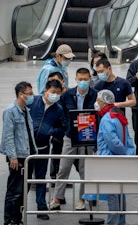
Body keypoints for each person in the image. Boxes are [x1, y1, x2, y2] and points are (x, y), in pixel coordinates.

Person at [49, 68, 98, 210]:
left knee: (85, 169)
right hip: (70, 136)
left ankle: (83, 199)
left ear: (90, 79)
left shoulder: (95, 95)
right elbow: (62, 113)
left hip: (87, 136)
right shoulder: (68, 95)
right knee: (64, 167)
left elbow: (98, 115)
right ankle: (57, 198)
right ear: (76, 79)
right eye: (80, 79)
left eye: (85, 79)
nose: (83, 82)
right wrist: (68, 126)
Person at [0, 81, 37, 225]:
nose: (32, 96)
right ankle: (9, 219)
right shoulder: (10, 111)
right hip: (18, 157)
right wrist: (12, 157)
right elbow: (8, 135)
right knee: (14, 190)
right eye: (29, 93)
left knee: (23, 190)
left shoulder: (25, 110)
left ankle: (17, 218)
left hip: (29, 154)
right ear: (21, 95)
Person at [95, 90, 135, 225]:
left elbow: (113, 142)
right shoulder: (119, 116)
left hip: (109, 160)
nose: (96, 103)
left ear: (104, 102)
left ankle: (113, 222)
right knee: (120, 193)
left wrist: (122, 153)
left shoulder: (107, 119)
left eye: (98, 100)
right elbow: (128, 139)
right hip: (119, 160)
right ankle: (121, 221)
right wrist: (128, 154)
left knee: (112, 195)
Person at [29, 80, 65, 220]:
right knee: (25, 179)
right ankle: (19, 208)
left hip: (43, 148)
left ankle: (41, 208)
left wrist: (52, 131)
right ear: (45, 91)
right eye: (52, 92)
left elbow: (62, 128)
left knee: (40, 178)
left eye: (57, 93)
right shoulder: (33, 102)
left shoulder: (58, 109)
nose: (55, 95)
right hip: (27, 148)